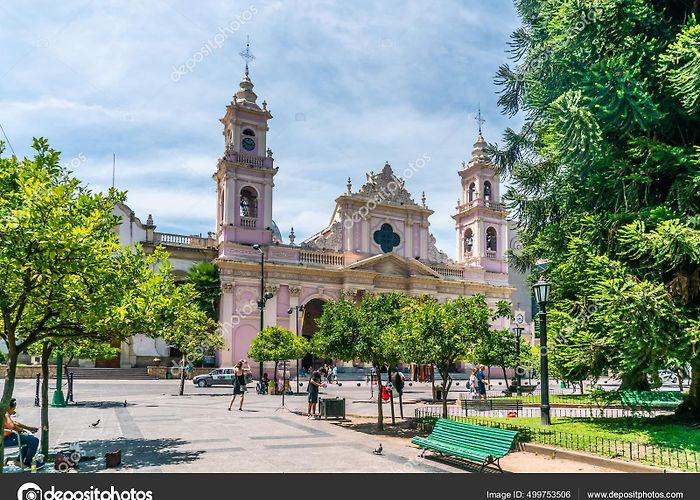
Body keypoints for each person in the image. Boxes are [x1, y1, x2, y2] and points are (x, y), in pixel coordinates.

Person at [3, 398, 39, 467]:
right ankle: (28, 463)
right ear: (8, 408)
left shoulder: (4, 413)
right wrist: (21, 430)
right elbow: (12, 426)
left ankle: (20, 460)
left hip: (9, 436)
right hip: (5, 439)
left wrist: (29, 428)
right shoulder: (5, 414)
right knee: (34, 441)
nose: (13, 411)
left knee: (29, 439)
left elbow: (15, 423)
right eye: (13, 409)